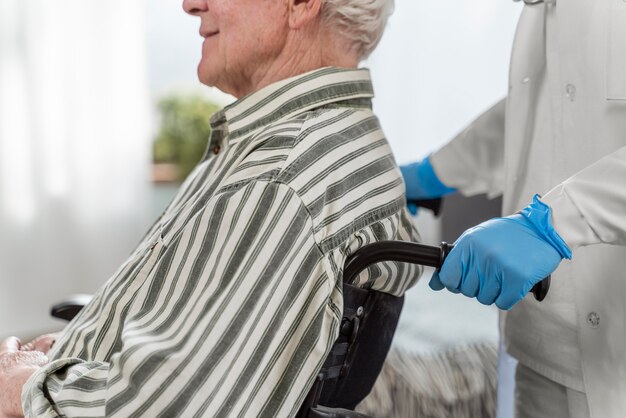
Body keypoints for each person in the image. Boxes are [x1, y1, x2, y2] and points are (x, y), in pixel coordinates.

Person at [0, 0, 421, 416]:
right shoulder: (309, 144)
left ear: (301, 4)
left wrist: (23, 387)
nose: (190, 5)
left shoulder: (280, 179)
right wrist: (70, 353)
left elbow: (171, 406)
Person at [401, 1, 626, 417]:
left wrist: (553, 223)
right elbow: (537, 113)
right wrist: (436, 172)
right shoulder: (541, 15)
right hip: (541, 349)